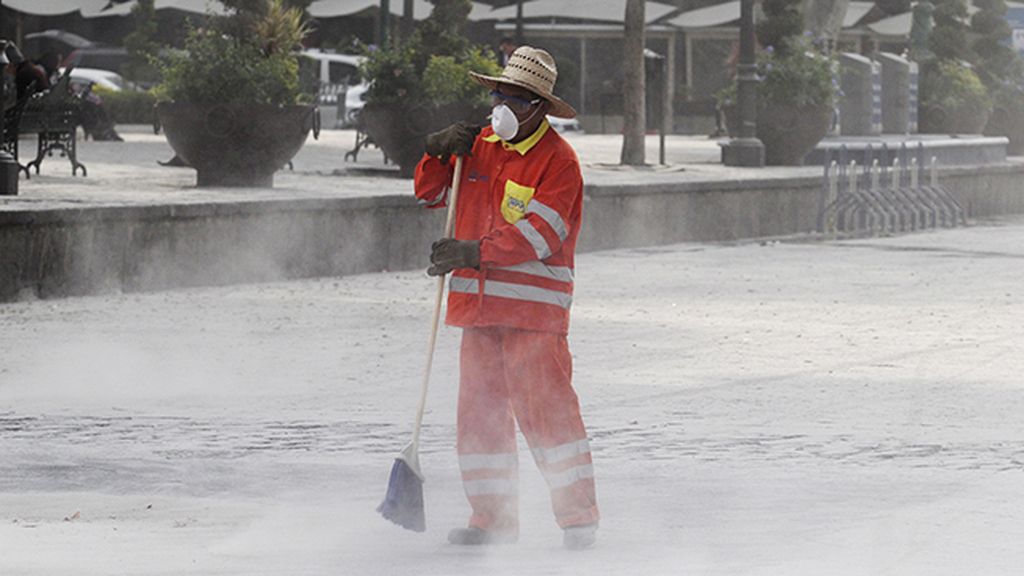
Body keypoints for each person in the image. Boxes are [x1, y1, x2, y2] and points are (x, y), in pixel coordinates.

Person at [413, 46, 599, 550]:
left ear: (539, 107)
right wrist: (435, 150)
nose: (502, 104)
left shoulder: (559, 162)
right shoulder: (480, 145)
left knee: (548, 415)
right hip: (477, 311)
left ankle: (578, 518)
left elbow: (543, 234)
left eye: (515, 97)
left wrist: (472, 252)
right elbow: (431, 194)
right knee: (479, 418)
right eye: (498, 93)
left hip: (533, 317)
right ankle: (491, 520)